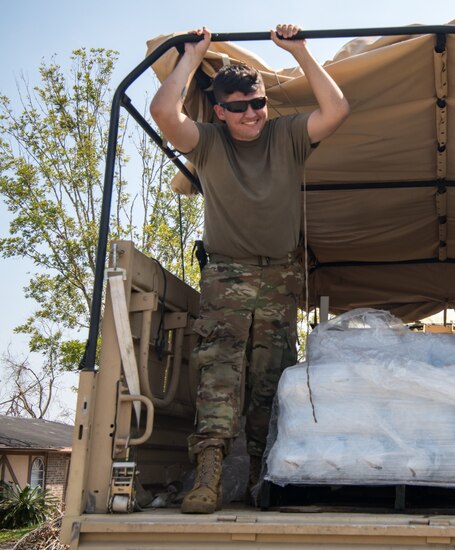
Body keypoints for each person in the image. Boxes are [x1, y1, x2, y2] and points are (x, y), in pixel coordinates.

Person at [150, 24, 349, 514]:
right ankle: (210, 474)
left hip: (281, 276)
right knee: (218, 375)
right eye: (237, 107)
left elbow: (337, 109)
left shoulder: (286, 135)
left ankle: (265, 477)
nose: (250, 114)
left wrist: (300, 52)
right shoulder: (210, 143)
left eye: (257, 103)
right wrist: (194, 56)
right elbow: (162, 112)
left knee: (270, 380)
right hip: (228, 274)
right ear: (220, 110)